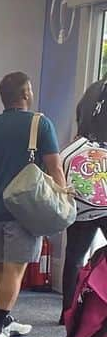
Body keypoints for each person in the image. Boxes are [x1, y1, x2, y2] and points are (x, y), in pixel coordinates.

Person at [0, 72, 65, 337]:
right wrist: (63, 200)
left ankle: (6, 320)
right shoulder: (40, 123)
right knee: (15, 269)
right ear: (25, 94)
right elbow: (55, 167)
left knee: (0, 267)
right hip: (25, 211)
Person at [59, 76, 107, 319]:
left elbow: (80, 129)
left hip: (84, 180)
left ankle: (68, 310)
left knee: (75, 253)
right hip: (105, 180)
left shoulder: (92, 91)